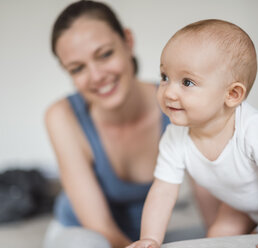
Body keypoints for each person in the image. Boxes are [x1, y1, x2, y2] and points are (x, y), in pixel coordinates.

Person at [127, 19, 258, 248]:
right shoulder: (174, 136)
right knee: (217, 237)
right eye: (164, 77)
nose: (169, 92)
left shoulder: (253, 128)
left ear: (232, 94)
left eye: (187, 82)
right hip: (244, 205)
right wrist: (150, 239)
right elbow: (163, 192)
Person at [42, 1, 191, 247]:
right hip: (84, 234)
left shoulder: (176, 104)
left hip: (146, 238)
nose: (97, 76)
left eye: (105, 54)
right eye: (78, 68)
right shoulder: (62, 117)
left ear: (128, 41)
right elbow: (100, 227)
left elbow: (215, 200)